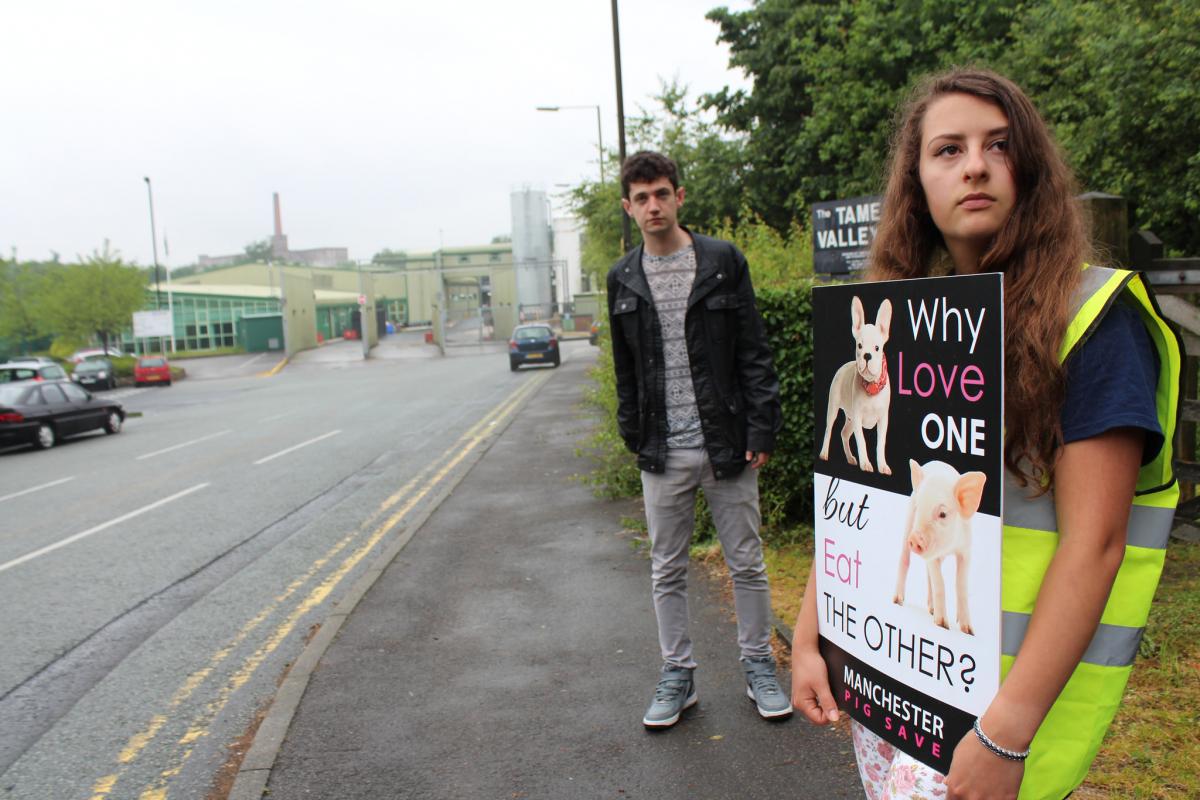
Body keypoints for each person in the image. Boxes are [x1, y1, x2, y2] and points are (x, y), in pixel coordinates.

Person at [791, 68, 1181, 799]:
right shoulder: (897, 323)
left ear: (1028, 168)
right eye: (947, 149)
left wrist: (1006, 732)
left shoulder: (1094, 319)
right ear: (917, 184)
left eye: (998, 146)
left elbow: (1095, 545)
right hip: (896, 697)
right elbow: (858, 500)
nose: (973, 164)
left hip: (1002, 719)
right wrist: (813, 634)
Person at [607, 150, 791, 729]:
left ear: (679, 196)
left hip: (726, 442)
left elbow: (753, 352)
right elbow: (626, 371)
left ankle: (759, 664)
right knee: (667, 568)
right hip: (661, 450)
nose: (653, 206)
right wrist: (634, 434)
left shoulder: (721, 261)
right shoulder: (623, 278)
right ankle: (678, 675)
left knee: (747, 562)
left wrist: (760, 427)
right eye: (641, 198)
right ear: (628, 207)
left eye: (661, 193)